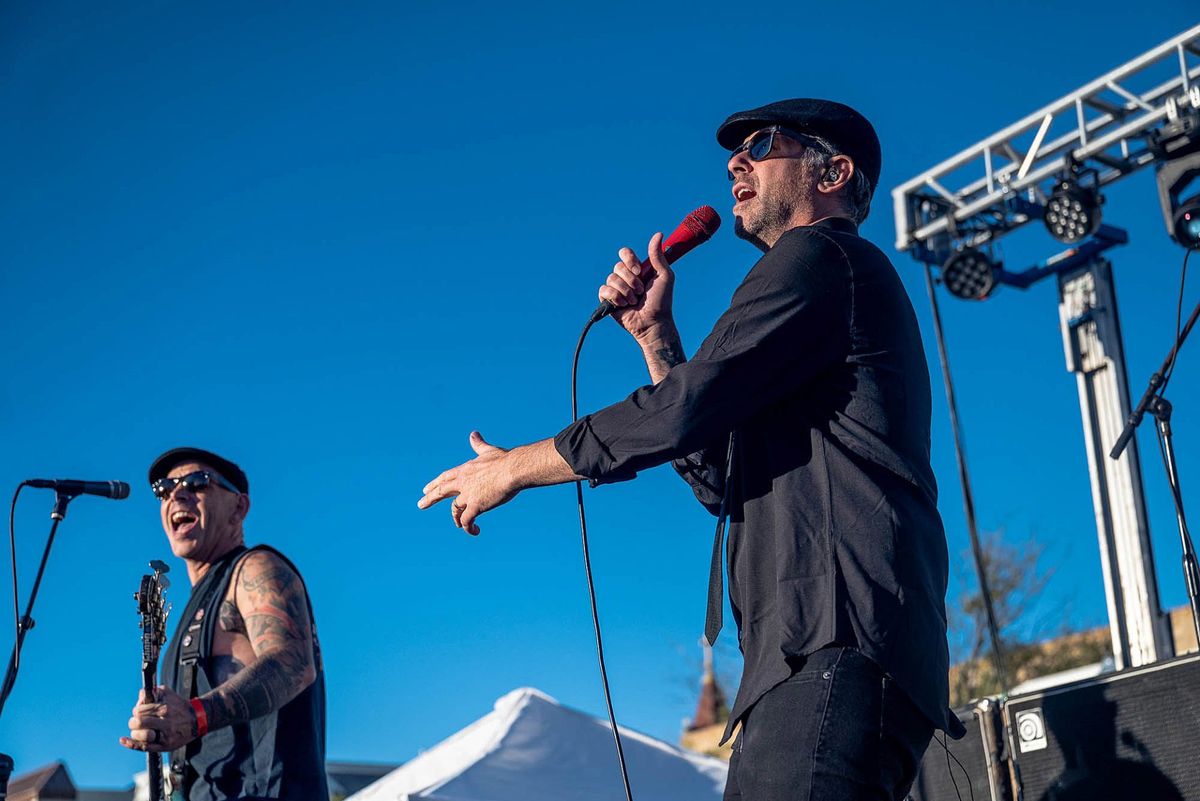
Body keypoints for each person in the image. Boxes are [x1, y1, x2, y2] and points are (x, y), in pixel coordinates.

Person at [417, 98, 964, 800]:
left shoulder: (821, 255)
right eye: (735, 152)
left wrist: (518, 467)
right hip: (813, 653)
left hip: (836, 641)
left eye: (763, 144)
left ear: (834, 172)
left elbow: (687, 408)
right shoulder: (818, 295)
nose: (737, 161)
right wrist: (656, 339)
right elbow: (718, 475)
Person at [121, 447, 328, 801]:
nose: (178, 493)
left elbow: (293, 662)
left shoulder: (255, 568)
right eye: (165, 489)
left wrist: (194, 715)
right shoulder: (190, 609)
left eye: (197, 482)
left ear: (239, 507)